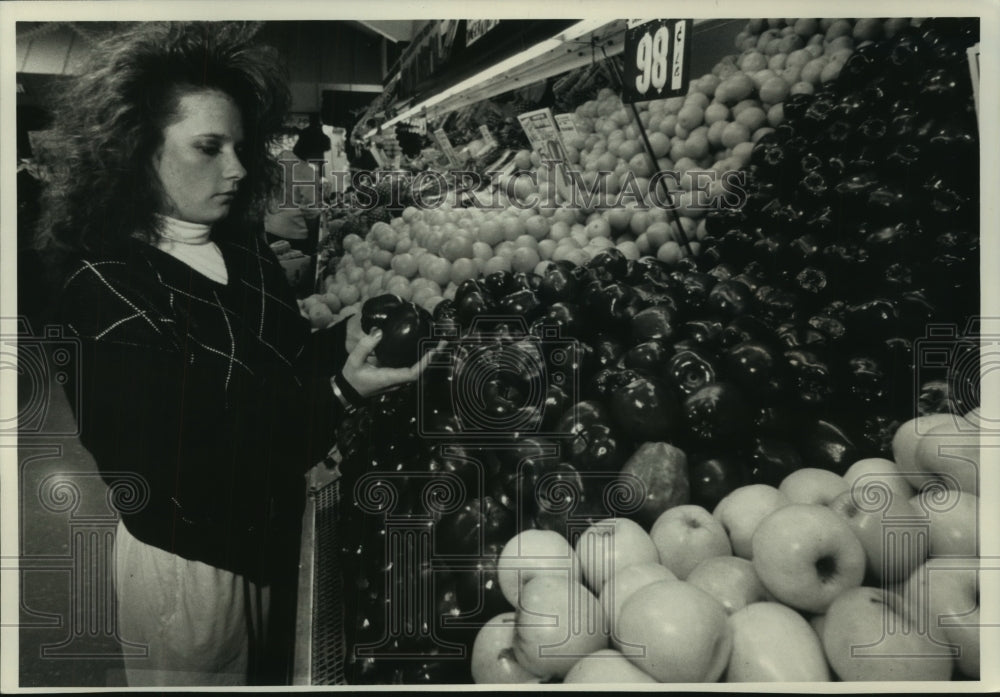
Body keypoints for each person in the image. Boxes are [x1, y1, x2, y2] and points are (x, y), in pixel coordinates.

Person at [35, 21, 429, 687]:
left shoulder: (238, 247)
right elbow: (192, 468)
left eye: (241, 147)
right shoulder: (103, 289)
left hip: (271, 534)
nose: (238, 169)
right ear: (137, 150)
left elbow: (282, 362)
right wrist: (338, 394)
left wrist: (347, 339)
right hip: (192, 572)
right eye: (208, 147)